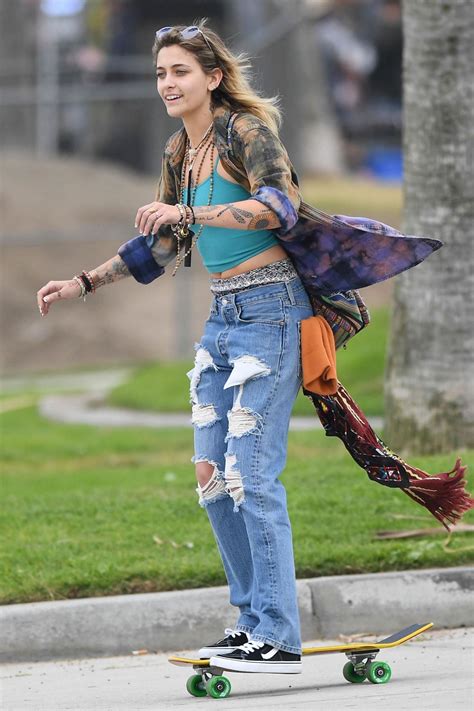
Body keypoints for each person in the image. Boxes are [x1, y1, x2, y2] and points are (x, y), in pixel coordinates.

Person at [38, 19, 462, 675]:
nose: (167, 83)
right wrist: (85, 281)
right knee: (211, 477)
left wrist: (192, 214)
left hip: (271, 311)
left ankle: (280, 636)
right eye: (159, 73)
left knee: (251, 476)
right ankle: (250, 624)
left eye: (179, 70)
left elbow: (279, 207)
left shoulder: (245, 130)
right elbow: (163, 244)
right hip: (223, 320)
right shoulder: (181, 152)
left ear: (212, 76)